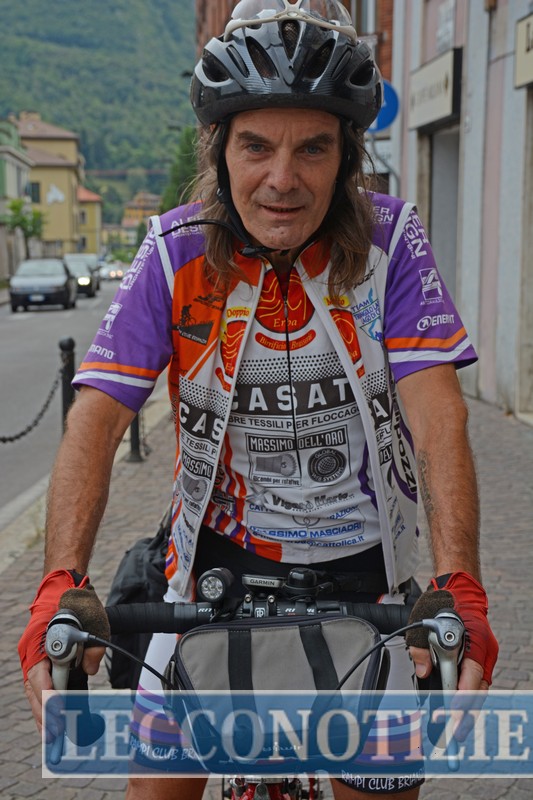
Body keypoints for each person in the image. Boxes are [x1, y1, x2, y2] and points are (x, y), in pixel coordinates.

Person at [18, 1, 498, 798]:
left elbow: (437, 417)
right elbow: (95, 420)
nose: (281, 179)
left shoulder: (391, 242)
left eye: (312, 148)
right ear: (218, 148)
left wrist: (461, 584)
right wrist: (59, 581)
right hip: (211, 581)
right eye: (255, 146)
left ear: (346, 156)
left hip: (365, 585)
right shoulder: (172, 252)